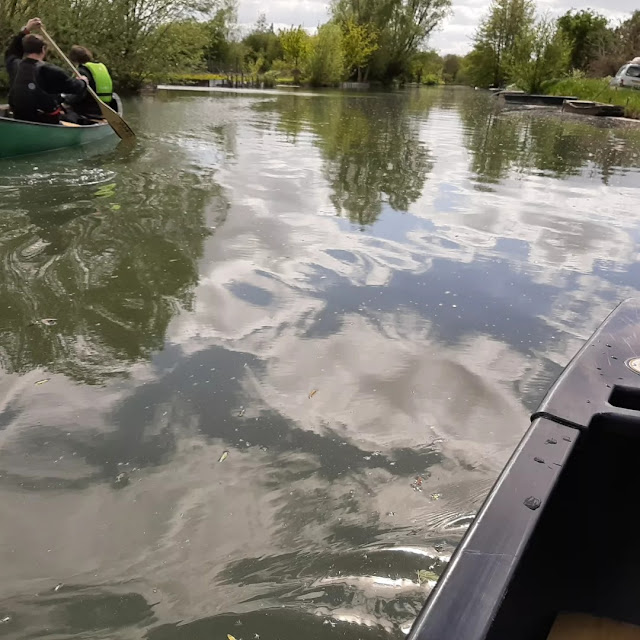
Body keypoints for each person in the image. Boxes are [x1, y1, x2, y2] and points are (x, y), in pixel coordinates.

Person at [7, 31, 88, 124]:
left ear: (25, 50)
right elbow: (75, 87)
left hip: (19, 117)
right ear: (43, 49)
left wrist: (25, 30)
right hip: (44, 120)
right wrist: (83, 81)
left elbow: (11, 52)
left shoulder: (15, 65)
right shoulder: (49, 70)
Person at [67, 46, 114, 118]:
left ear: (74, 59)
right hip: (105, 108)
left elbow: (78, 95)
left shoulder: (81, 71)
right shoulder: (100, 67)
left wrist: (65, 100)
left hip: (87, 111)